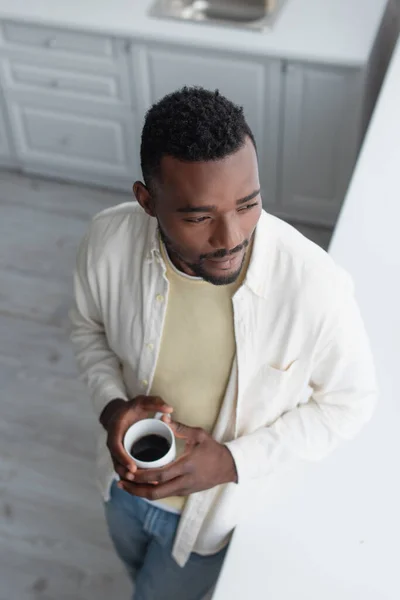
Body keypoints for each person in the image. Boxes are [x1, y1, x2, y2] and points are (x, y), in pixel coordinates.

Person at [70, 86, 378, 600]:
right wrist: (111, 406)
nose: (230, 237)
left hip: (214, 521)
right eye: (198, 217)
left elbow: (350, 403)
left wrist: (235, 461)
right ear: (147, 201)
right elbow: (87, 330)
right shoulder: (106, 240)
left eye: (248, 203)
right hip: (117, 489)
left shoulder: (314, 285)